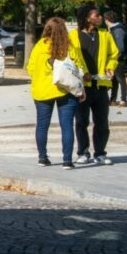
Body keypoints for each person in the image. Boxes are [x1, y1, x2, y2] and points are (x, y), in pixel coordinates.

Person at [25, 17, 81, 168]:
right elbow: (79, 67)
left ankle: (42, 158)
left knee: (42, 126)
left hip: (42, 91)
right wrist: (82, 89)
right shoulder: (69, 46)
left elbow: (30, 68)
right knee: (67, 126)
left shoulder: (39, 46)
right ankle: (67, 161)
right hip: (65, 90)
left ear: (46, 29)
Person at [69, 5, 117, 165]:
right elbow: (71, 59)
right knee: (82, 121)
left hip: (101, 86)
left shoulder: (105, 35)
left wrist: (111, 66)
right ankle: (83, 153)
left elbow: (114, 54)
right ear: (87, 18)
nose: (100, 18)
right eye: (97, 15)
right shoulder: (73, 36)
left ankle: (100, 153)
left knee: (102, 122)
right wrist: (82, 72)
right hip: (82, 87)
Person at [106, 9, 127, 107]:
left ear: (107, 20)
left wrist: (115, 58)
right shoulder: (114, 30)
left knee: (120, 79)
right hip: (115, 59)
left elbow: (120, 47)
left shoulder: (118, 30)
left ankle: (123, 100)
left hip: (118, 59)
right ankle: (113, 100)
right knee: (114, 80)